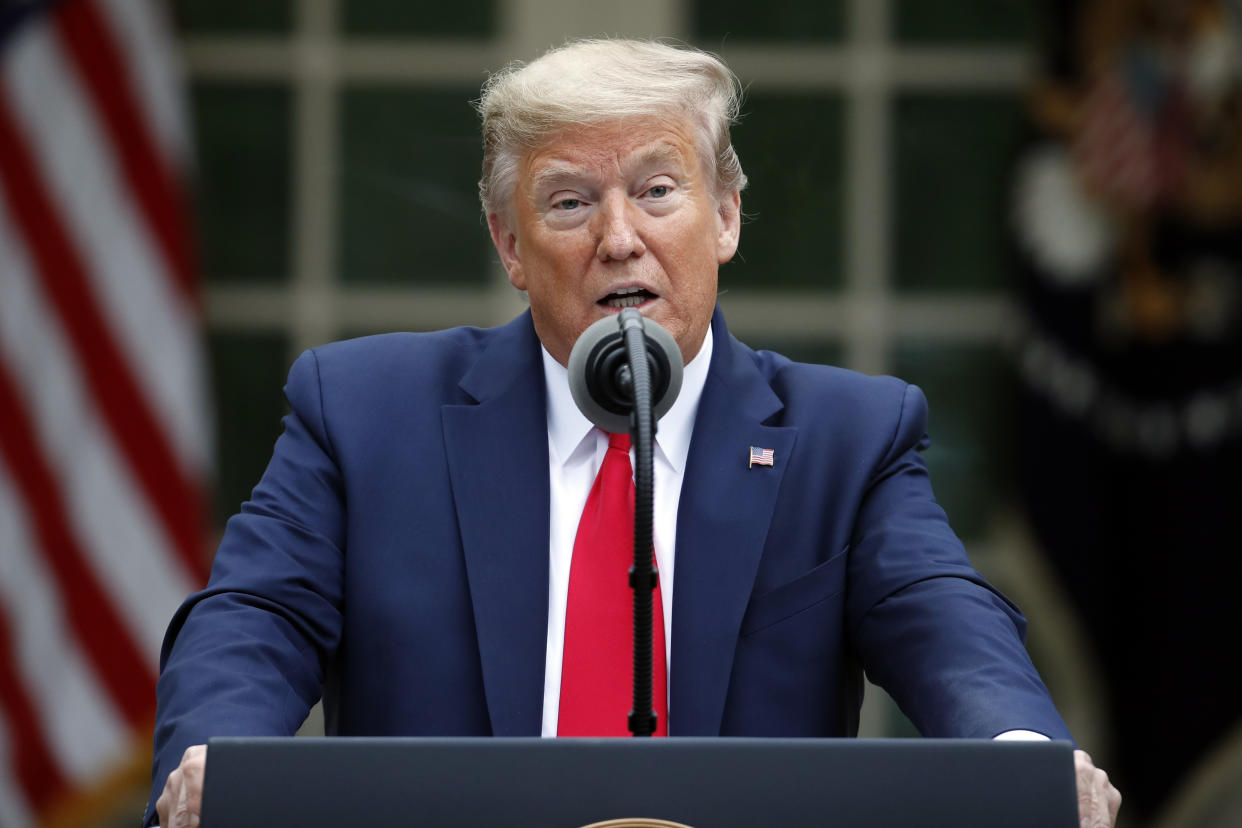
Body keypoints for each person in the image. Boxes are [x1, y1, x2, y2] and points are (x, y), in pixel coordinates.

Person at [147, 39, 1121, 828]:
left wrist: (1022, 762)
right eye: (569, 202)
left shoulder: (844, 437)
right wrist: (215, 759)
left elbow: (945, 622)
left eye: (658, 191)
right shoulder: (364, 412)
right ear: (510, 247)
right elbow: (255, 619)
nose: (619, 236)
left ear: (727, 216)